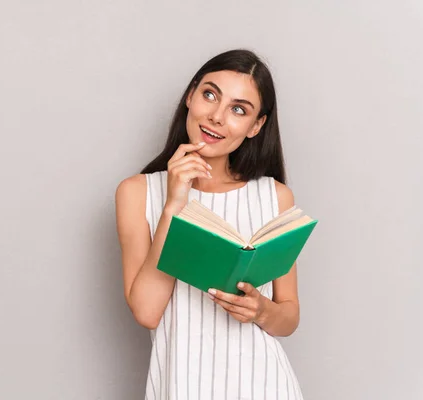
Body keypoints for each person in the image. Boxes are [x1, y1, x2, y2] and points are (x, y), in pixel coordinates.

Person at [115, 49, 304, 400]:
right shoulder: (137, 193)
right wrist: (174, 205)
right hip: (181, 384)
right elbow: (146, 311)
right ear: (191, 96)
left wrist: (261, 310)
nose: (217, 117)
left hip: (265, 385)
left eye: (238, 109)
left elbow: (289, 316)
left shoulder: (275, 197)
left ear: (256, 126)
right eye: (210, 94)